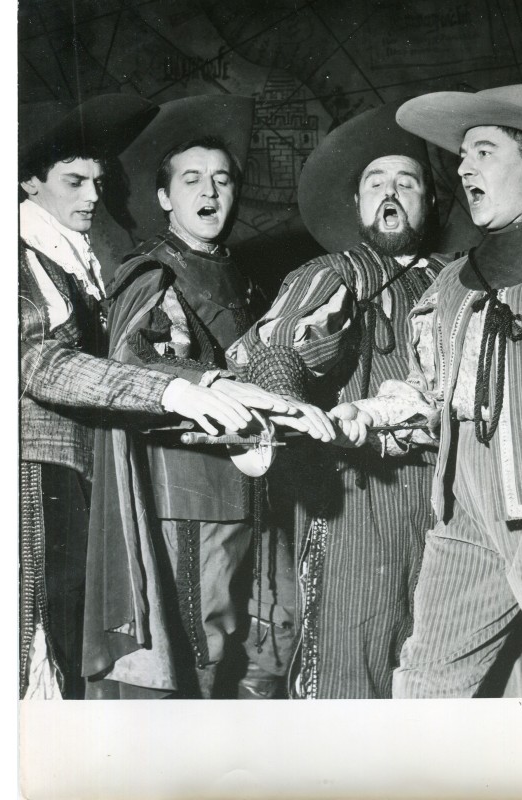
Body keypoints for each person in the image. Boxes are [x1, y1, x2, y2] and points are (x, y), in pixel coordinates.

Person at [333, 85, 522, 698]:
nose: (462, 167)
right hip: (464, 518)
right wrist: (367, 415)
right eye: (461, 155)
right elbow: (434, 393)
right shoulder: (453, 279)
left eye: (482, 150)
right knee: (423, 682)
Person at [19, 95, 292, 700]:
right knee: (50, 644)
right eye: (74, 181)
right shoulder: (34, 259)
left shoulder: (82, 260)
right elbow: (44, 363)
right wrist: (181, 385)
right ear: (30, 183)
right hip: (44, 473)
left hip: (106, 472)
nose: (92, 195)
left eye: (98, 180)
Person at [80, 96, 329, 699]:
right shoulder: (152, 272)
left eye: (222, 179)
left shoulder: (238, 273)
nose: (210, 191)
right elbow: (134, 362)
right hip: (188, 485)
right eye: (191, 180)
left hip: (251, 484)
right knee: (196, 641)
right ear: (165, 198)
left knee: (254, 639)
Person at [226, 102, 455, 699]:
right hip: (357, 500)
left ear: (430, 202)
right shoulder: (334, 273)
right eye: (375, 182)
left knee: (437, 672)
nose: (390, 192)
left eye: (406, 182)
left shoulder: (457, 280)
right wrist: (296, 379)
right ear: (356, 204)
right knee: (351, 668)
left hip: (449, 501)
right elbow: (263, 355)